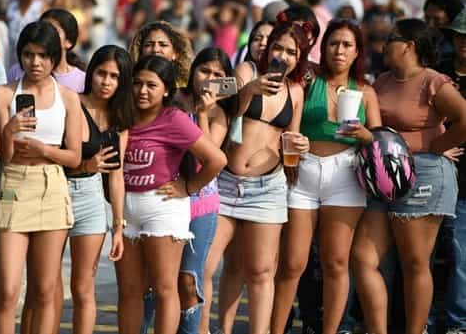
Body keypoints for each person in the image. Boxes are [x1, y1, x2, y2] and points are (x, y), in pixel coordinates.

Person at [351, 18, 466, 334]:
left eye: (391, 39)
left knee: (414, 263)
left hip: (426, 173)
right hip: (380, 176)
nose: (384, 44)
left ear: (409, 46)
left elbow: (464, 119)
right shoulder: (383, 81)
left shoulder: (433, 81)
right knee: (363, 259)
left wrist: (435, 145)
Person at [271, 18, 382, 334]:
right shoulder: (308, 80)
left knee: (335, 264)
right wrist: (290, 148)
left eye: (347, 44)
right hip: (302, 171)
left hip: (345, 175)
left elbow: (379, 140)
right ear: (324, 47)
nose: (339, 50)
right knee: (292, 264)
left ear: (357, 51)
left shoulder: (367, 91)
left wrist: (363, 133)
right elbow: (289, 118)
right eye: (334, 43)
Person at [201, 22, 311, 334]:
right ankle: (214, 329)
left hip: (268, 187)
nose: (283, 55)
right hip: (226, 183)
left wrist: (301, 144)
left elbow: (292, 136)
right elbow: (212, 94)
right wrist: (250, 89)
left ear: (299, 57)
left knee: (262, 271)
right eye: (278, 48)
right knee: (210, 265)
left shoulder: (297, 91)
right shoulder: (245, 72)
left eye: (291, 51)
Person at [116, 55, 226, 334]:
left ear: (166, 90)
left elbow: (216, 159)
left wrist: (189, 187)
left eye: (151, 85)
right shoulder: (123, 115)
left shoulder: (173, 118)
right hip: (127, 208)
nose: (142, 90)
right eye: (137, 83)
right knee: (129, 291)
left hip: (163, 206)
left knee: (164, 288)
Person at [0, 21, 82, 333]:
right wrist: (8, 131)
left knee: (44, 290)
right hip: (12, 185)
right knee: (6, 291)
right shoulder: (3, 94)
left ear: (55, 58)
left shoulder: (68, 97)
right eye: (28, 54)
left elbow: (74, 156)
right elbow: (3, 156)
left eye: (43, 55)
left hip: (52, 186)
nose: (35, 62)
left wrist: (45, 150)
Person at [64, 45, 134, 334]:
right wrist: (86, 165)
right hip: (59, 191)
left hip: (93, 199)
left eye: (114, 77)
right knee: (48, 284)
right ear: (91, 73)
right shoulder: (71, 102)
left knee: (83, 285)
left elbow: (116, 176)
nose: (106, 81)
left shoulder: (120, 120)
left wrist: (118, 226)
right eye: (101, 73)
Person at [432, 7, 466, 334]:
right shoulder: (437, 73)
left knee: (460, 259)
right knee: (422, 258)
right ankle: (422, 322)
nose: (464, 43)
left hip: (465, 186)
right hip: (434, 176)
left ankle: (458, 323)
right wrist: (440, 145)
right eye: (460, 36)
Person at [8, 8, 87, 92]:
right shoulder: (17, 71)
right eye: (43, 30)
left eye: (54, 31)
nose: (46, 36)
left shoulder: (81, 80)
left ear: (69, 42)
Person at [129, 20, 194, 87]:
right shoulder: (129, 86)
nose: (155, 50)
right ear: (140, 51)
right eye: (148, 45)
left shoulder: (187, 88)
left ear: (175, 53)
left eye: (163, 45)